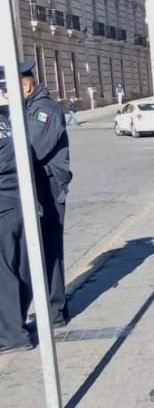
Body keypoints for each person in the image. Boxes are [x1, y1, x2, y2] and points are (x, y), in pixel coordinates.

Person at [21, 60, 72, 326]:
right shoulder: (25, 109)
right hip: (35, 186)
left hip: (49, 188)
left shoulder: (44, 109)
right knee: (35, 249)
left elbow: (32, 148)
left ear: (29, 83)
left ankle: (55, 311)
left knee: (50, 248)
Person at [0, 85, 33, 356]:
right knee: (19, 265)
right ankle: (19, 323)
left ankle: (12, 335)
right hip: (18, 198)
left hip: (3, 201)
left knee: (4, 271)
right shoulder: (8, 120)